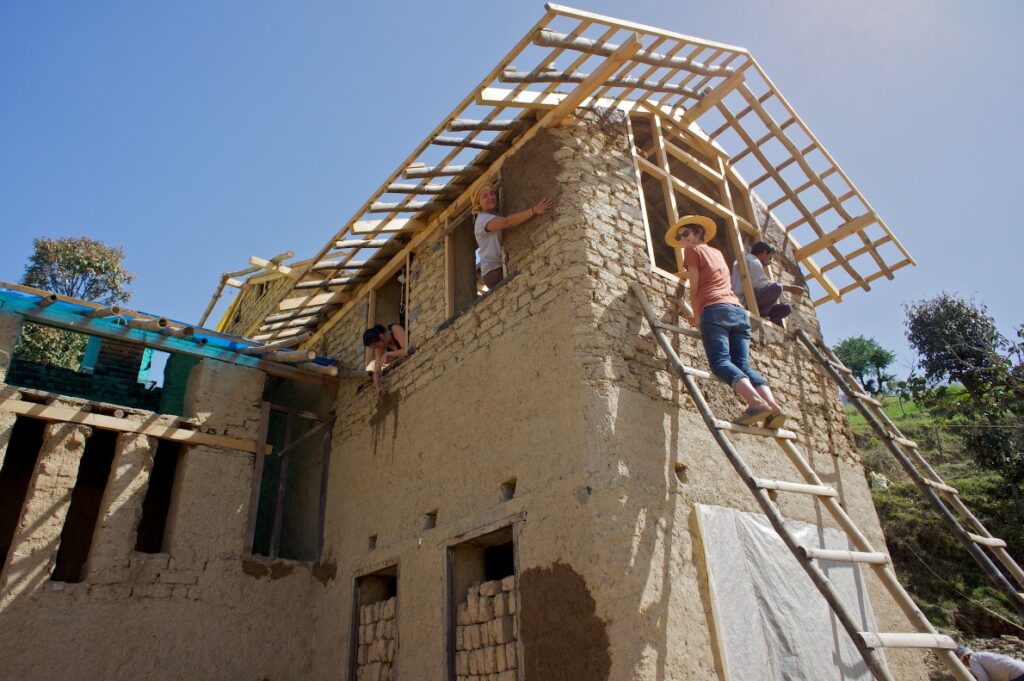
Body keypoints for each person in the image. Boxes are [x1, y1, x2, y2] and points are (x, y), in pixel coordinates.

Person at [669, 216, 788, 427]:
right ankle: (774, 409)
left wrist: (696, 315)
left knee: (720, 362)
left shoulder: (693, 251)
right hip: (738, 311)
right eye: (680, 238)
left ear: (697, 233)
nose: (683, 240)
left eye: (685, 234)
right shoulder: (717, 253)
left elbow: (695, 287)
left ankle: (755, 403)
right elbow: (712, 276)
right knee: (743, 365)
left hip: (715, 310)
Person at [472, 184, 552, 288]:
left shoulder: (494, 215)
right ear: (478, 203)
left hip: (500, 267)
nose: (490, 198)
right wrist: (533, 210)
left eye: (492, 194)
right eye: (485, 196)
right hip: (493, 272)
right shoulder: (482, 220)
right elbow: (507, 222)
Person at [730, 241, 805, 325]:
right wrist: (788, 288)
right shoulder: (754, 261)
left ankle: (767, 321)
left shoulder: (748, 259)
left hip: (751, 301)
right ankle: (761, 315)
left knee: (786, 308)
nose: (769, 262)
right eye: (769, 258)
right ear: (765, 253)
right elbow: (760, 285)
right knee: (777, 288)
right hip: (745, 302)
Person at [362, 323, 407, 396]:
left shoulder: (395, 330)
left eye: (377, 345)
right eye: (375, 348)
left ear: (381, 336)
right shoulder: (379, 348)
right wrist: (378, 387)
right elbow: (376, 371)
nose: (377, 348)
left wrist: (388, 354)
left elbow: (406, 350)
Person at [957, 645, 1024, 681]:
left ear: (965, 657)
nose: (966, 665)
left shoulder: (972, 659)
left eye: (963, 663)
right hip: (1020, 668)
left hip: (1017, 674)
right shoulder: (980, 656)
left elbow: (984, 679)